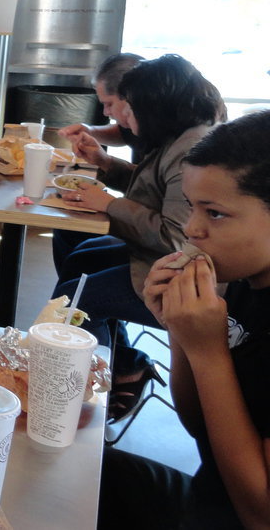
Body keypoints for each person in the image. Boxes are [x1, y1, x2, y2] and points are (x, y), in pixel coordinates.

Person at [100, 109, 270, 528]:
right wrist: (180, 330)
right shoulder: (248, 283)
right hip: (207, 491)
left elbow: (260, 513)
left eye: (214, 213)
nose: (192, 229)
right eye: (192, 208)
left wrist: (209, 353)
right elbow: (201, 428)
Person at [55, 54, 225, 421]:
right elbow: (154, 190)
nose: (123, 119)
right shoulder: (178, 135)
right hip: (157, 259)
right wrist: (105, 164)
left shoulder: (192, 150)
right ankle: (124, 361)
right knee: (80, 259)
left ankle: (85, 398)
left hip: (181, 276)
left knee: (75, 302)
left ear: (155, 106)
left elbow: (177, 239)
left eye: (128, 108)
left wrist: (109, 205)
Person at [52, 52, 145, 267]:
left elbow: (146, 187)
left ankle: (73, 295)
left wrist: (109, 202)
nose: (106, 112)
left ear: (130, 97)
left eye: (109, 104)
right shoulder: (142, 119)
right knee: (69, 227)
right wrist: (91, 132)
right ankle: (71, 295)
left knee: (80, 250)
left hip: (145, 240)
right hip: (136, 217)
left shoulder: (170, 137)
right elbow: (123, 133)